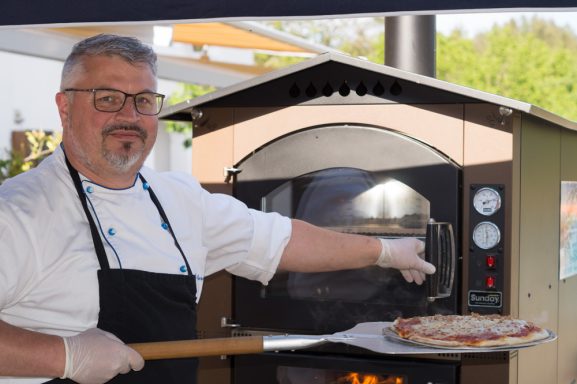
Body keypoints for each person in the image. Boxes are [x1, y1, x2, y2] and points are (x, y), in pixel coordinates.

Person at [0, 34, 435, 384]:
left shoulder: (178, 199)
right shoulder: (20, 213)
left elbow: (280, 241)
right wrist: (64, 356)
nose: (129, 115)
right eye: (108, 99)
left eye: (144, 100)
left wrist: (382, 250)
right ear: (64, 106)